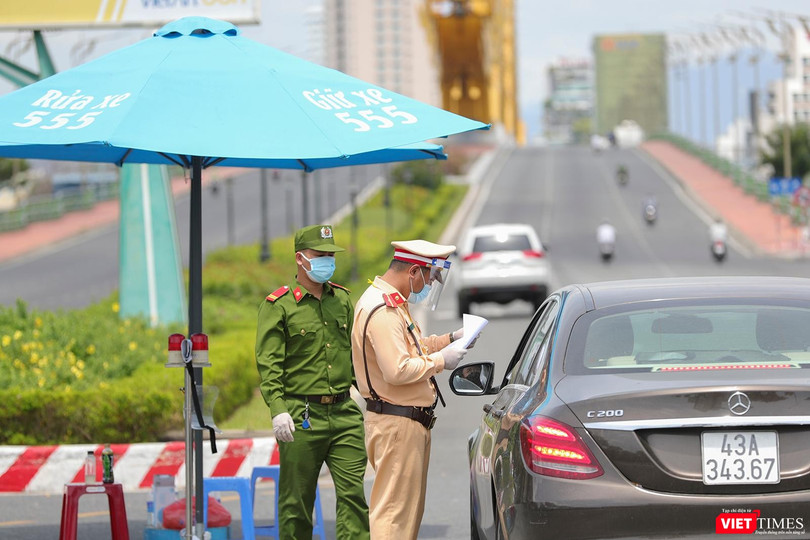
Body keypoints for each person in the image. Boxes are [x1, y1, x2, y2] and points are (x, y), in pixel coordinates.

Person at [255, 224, 369, 540]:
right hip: (301, 415)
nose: (327, 262)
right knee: (297, 503)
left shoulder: (341, 300)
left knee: (353, 497)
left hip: (344, 414)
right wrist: (277, 408)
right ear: (300, 258)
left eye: (330, 255)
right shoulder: (278, 305)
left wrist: (374, 397)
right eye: (320, 255)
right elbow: (269, 364)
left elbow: (355, 357)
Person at [351, 239, 469, 540]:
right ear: (413, 271)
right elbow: (397, 369)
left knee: (404, 516)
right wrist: (442, 361)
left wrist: (449, 339)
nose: (428, 285)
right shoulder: (383, 310)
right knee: (393, 517)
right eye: (429, 277)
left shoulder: (392, 303)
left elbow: (413, 349)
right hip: (396, 423)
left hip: (402, 422)